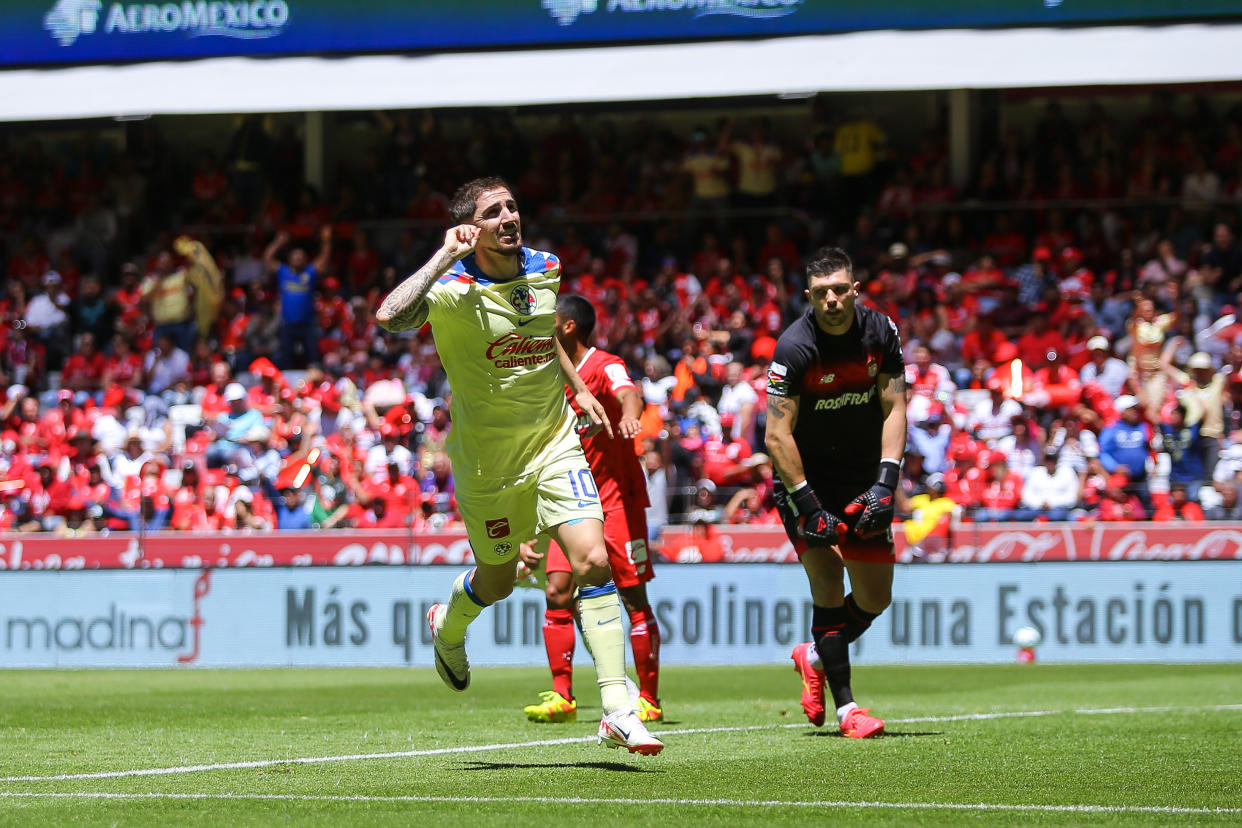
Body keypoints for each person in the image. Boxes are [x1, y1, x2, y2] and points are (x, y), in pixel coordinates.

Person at [374, 177, 663, 755]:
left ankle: (616, 709)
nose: (509, 216)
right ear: (470, 227)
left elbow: (541, 331)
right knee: (499, 581)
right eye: (493, 211)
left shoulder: (546, 265)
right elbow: (390, 316)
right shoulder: (453, 287)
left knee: (593, 560)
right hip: (487, 463)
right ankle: (448, 625)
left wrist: (577, 385)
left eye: (511, 206)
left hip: (554, 442)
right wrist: (443, 254)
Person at [764, 246, 905, 739]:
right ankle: (849, 710)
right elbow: (776, 436)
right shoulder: (794, 348)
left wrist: (887, 483)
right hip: (805, 479)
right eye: (821, 293)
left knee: (875, 597)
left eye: (840, 290)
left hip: (863, 476)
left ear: (855, 290)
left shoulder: (882, 332)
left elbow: (894, 406)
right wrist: (807, 502)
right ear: (809, 296)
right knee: (826, 580)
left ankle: (815, 654)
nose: (832, 300)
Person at [518, 293, 662, 725]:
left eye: (551, 321)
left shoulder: (604, 365)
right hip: (571, 500)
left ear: (566, 328)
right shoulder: (549, 377)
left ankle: (649, 699)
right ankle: (563, 696)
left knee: (633, 597)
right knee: (557, 592)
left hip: (615, 498)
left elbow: (628, 392)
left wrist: (630, 416)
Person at [265, 226, 332, 369]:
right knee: (286, 358)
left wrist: (326, 240)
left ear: (305, 260)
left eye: (301, 257)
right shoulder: (283, 272)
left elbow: (324, 259)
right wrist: (278, 242)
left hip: (307, 324)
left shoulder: (310, 272)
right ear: (289, 259)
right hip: (287, 324)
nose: (298, 258)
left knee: (313, 356)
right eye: (295, 256)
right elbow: (267, 259)